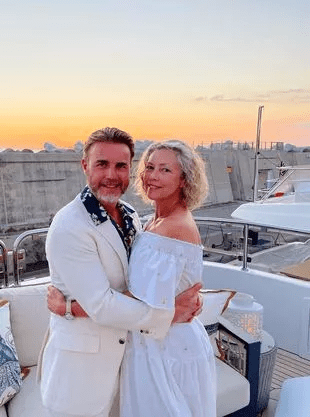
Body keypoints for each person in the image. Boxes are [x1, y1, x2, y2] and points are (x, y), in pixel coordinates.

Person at [47, 138, 217, 417]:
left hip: (163, 347)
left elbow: (145, 296)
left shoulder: (141, 219)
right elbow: (125, 296)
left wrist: (68, 306)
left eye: (165, 170)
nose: (153, 176)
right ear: (85, 166)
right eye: (150, 167)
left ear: (184, 179)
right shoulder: (74, 224)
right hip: (114, 357)